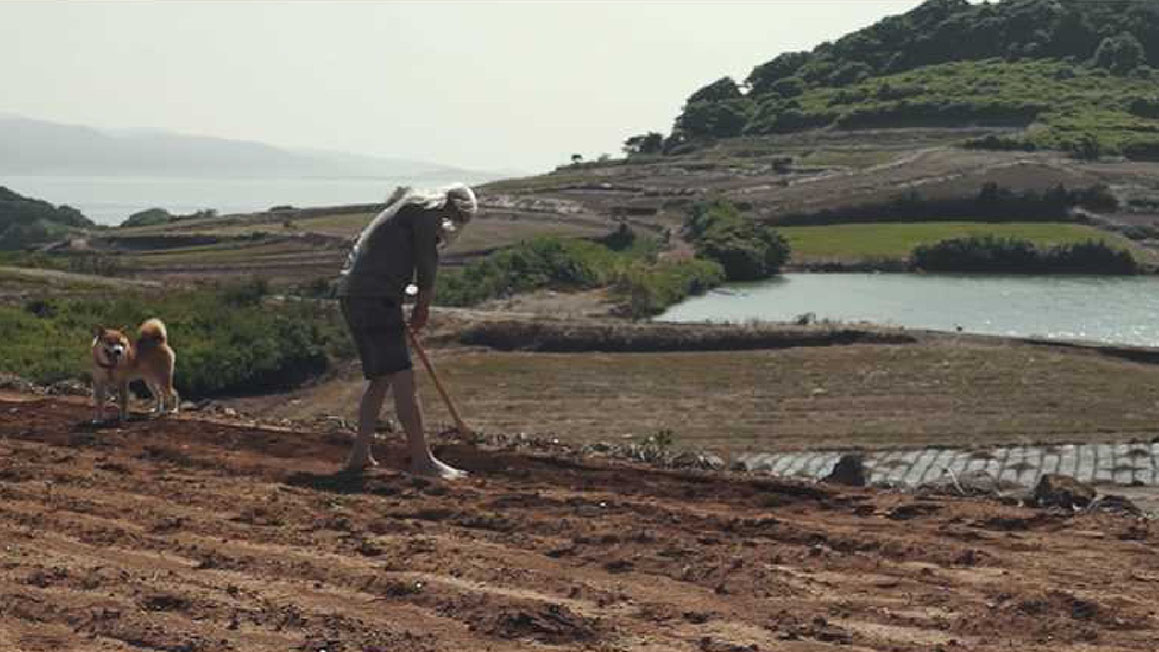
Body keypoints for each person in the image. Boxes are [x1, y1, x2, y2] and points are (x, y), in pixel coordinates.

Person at [335, 183, 476, 478]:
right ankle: (422, 460)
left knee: (383, 378)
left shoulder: (411, 207)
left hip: (357, 295)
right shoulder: (427, 213)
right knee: (403, 379)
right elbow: (427, 263)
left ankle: (359, 455)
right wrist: (422, 307)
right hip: (373, 298)